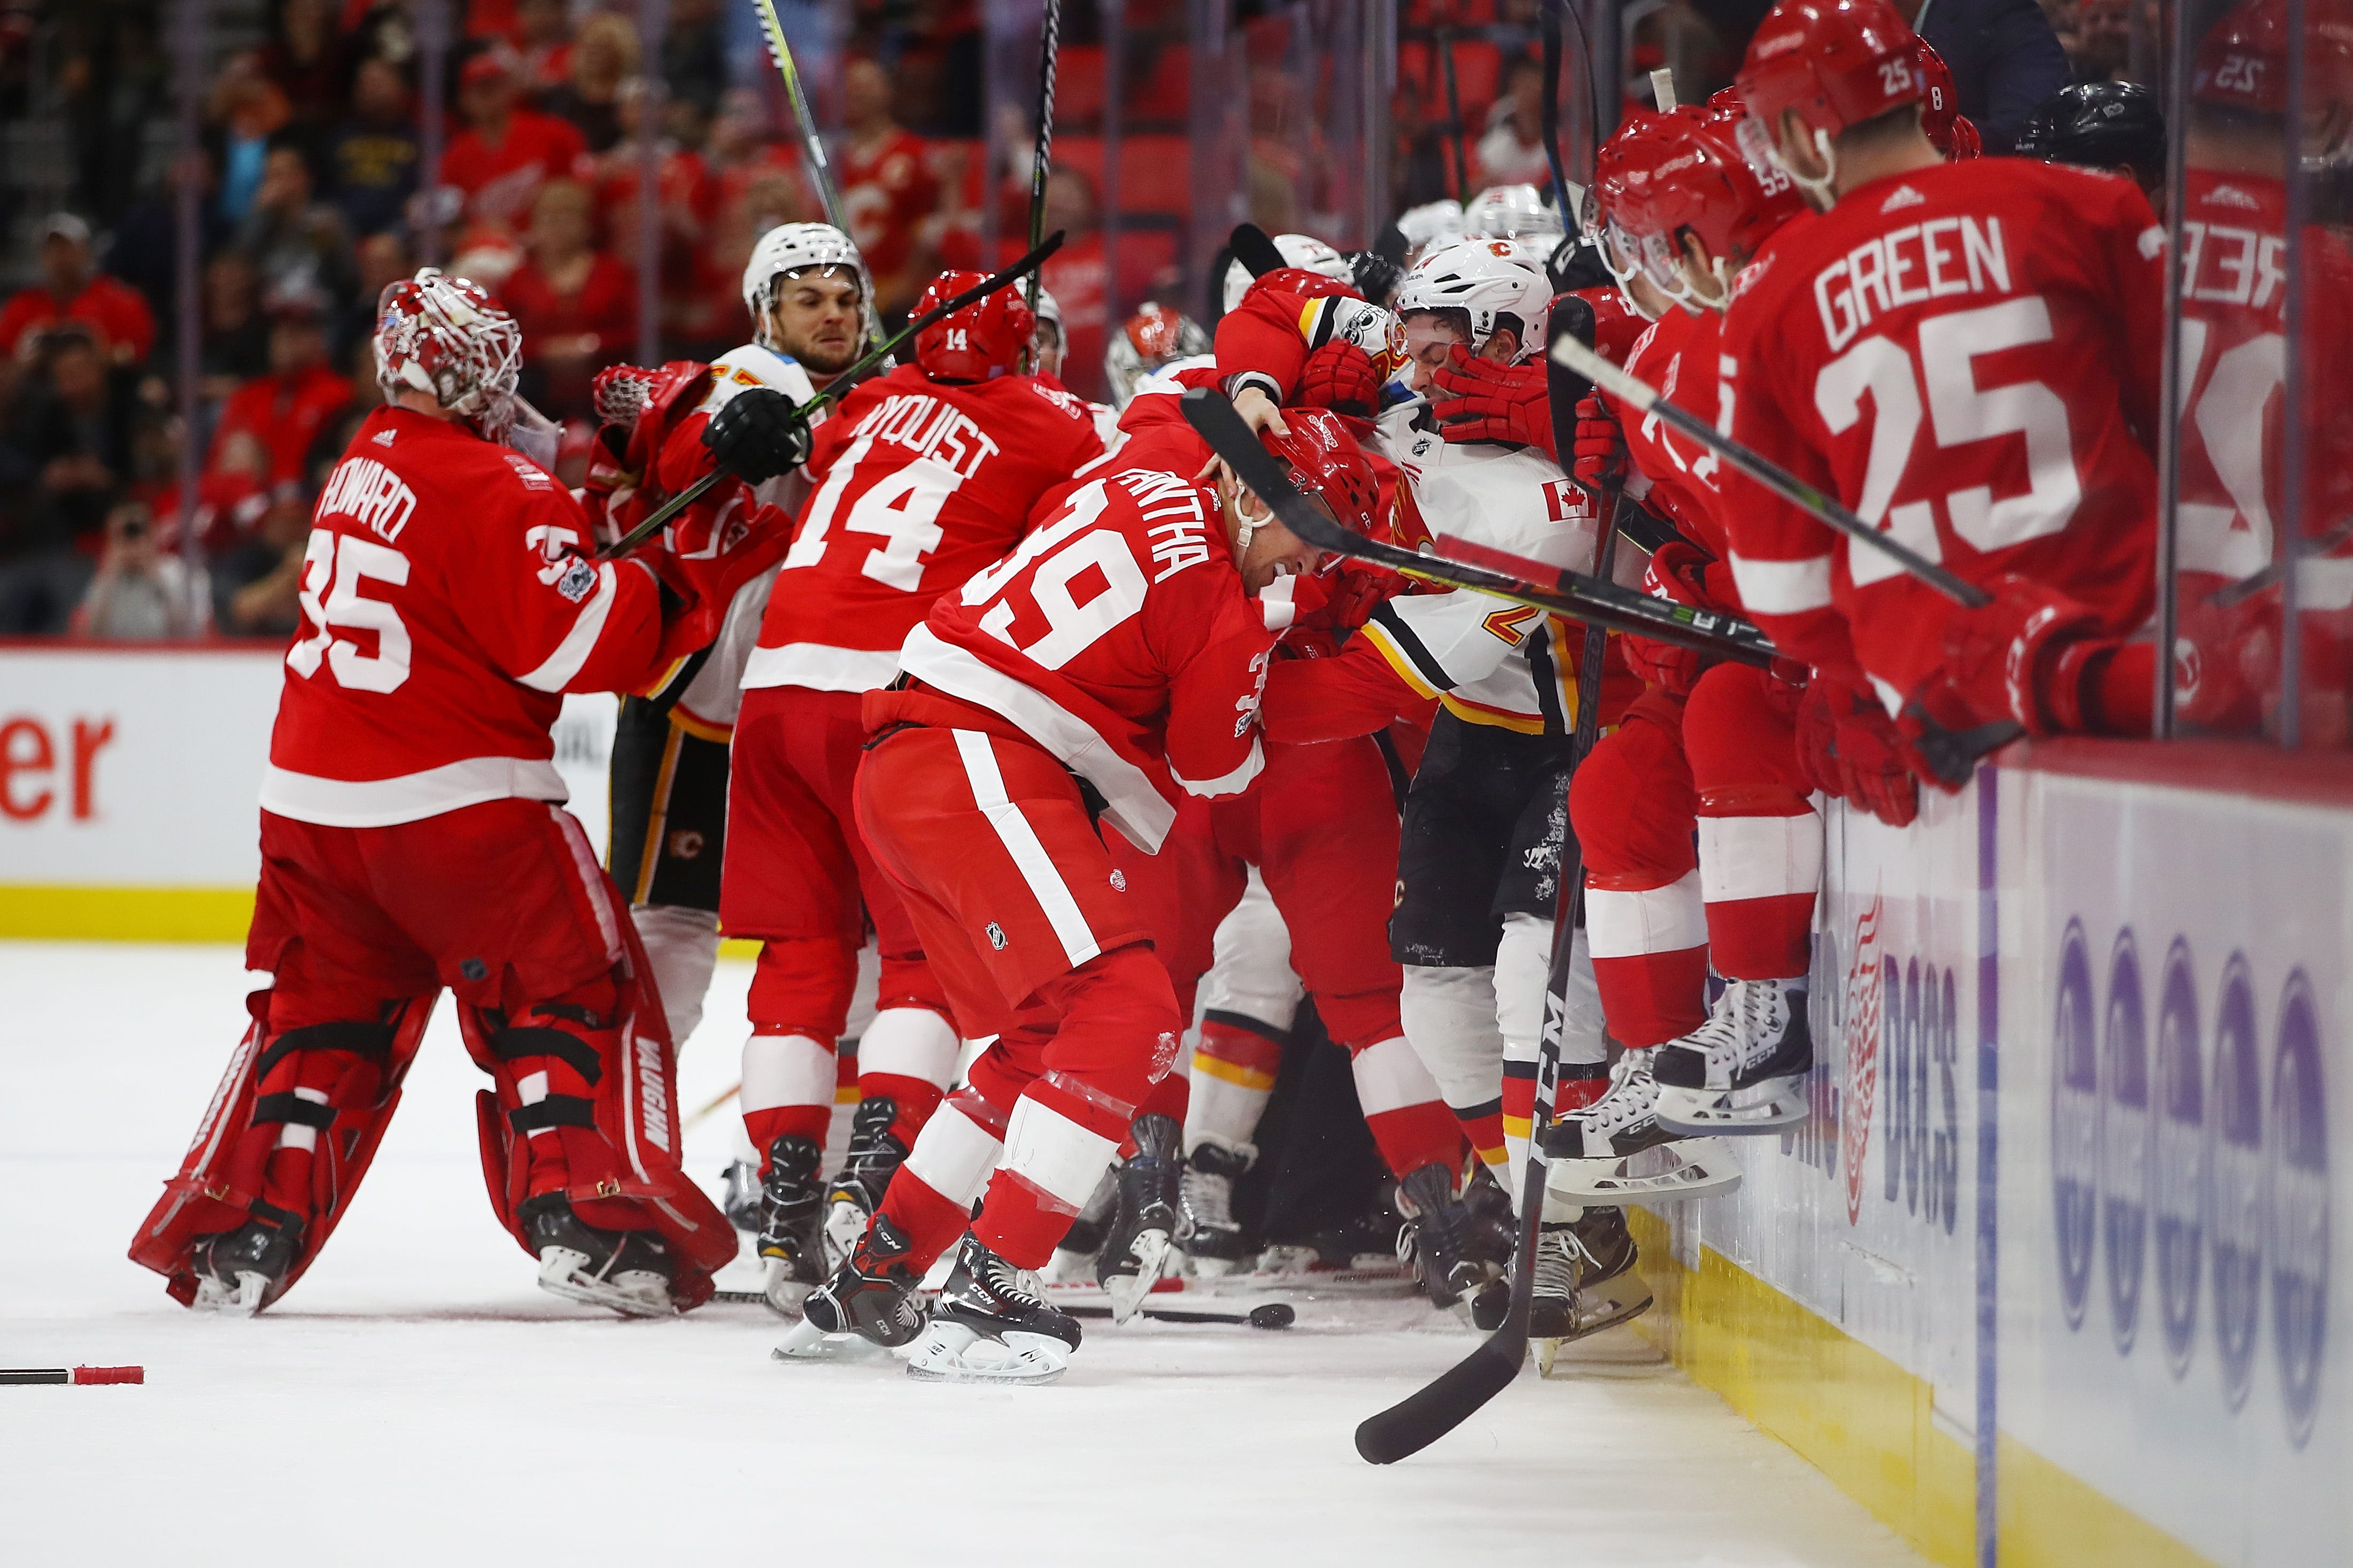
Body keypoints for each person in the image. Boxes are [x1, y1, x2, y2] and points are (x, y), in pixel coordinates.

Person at [127, 268, 786, 1317]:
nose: (509, 383)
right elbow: (579, 639)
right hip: (459, 809)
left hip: (311, 807)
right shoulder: (496, 488)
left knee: (322, 1021)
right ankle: (593, 1224)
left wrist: (603, 497)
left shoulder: (360, 457)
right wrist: (685, 553)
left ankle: (243, 1235)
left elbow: (490, 540)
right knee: (572, 993)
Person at [787, 409, 1375, 1383]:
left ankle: (879, 1271)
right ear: (1244, 489)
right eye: (1302, 530)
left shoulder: (1147, 472)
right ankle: (993, 1285)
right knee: (1132, 1008)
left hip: (914, 757)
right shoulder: (1220, 604)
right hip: (974, 753)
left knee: (1038, 1033)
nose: (1303, 562)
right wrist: (1315, 646)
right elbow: (1215, 767)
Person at [1233, 244, 1645, 1331]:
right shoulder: (1411, 427)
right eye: (1406, 326)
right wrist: (1253, 389)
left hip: (1571, 747)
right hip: (1471, 747)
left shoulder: (1551, 503)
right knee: (1427, 992)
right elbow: (1276, 312)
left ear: (1510, 340)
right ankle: (1537, 1204)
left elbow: (1382, 680)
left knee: (1526, 972)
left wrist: (1224, 689)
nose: (1409, 356)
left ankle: (1565, 1226)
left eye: (1437, 334)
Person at [721, 269, 1103, 1314]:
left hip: (773, 694)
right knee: (918, 962)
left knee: (800, 958)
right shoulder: (1051, 419)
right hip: (885, 702)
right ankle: (869, 1187)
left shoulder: (866, 404)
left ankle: (782, 1217)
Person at [1721, 0, 2164, 777]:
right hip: (2134, 662)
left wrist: (1872, 675)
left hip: (1944, 711)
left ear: (1793, 134)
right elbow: (2188, 425)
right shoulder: (2093, 208)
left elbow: (1784, 595)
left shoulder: (1764, 297)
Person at [594, 222, 872, 1076]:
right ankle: (633, 1139)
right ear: (765, 311)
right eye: (809, 299)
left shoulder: (891, 397)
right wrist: (724, 435)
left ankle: (824, 1164)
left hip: (820, 706)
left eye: (847, 299)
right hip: (699, 703)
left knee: (844, 936)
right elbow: (652, 409)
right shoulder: (756, 376)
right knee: (669, 927)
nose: (834, 315)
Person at [0, 327, 140, 634]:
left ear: (99, 368)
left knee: (68, 616)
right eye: (65, 374)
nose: (74, 382)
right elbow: (16, 477)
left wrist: (105, 481)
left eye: (81, 371)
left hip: (97, 549)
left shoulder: (129, 413)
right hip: (32, 544)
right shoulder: (40, 417)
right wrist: (46, 480)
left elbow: (147, 477)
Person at [503, 178, 635, 421]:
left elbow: (638, 331)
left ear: (586, 225)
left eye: (568, 218)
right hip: (537, 389)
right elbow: (503, 340)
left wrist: (594, 344)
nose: (558, 228)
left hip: (605, 385)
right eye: (549, 219)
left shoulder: (612, 273)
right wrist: (543, 351)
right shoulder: (517, 280)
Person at [441, 44, 590, 231]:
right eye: (479, 90)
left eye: (494, 87)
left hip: (548, 241)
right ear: (464, 100)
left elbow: (583, 186)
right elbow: (449, 225)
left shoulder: (553, 133)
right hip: (486, 251)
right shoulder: (454, 158)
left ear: (510, 89)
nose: (487, 95)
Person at [207, 305, 354, 492]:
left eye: (297, 332)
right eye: (279, 331)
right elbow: (216, 465)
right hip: (249, 504)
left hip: (307, 501)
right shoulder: (249, 395)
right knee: (240, 446)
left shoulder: (339, 393)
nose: (284, 339)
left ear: (320, 340)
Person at [836, 55, 941, 316]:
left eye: (865, 85)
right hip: (843, 294)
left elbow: (928, 231)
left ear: (886, 91)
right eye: (850, 87)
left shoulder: (913, 154)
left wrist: (905, 287)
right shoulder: (832, 161)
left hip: (896, 298)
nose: (855, 93)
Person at [0, 213, 157, 366]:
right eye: (51, 249)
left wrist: (104, 355)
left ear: (86, 252)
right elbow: (5, 355)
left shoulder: (120, 301)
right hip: (35, 389)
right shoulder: (23, 305)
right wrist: (23, 361)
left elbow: (139, 353)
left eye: (66, 248)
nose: (59, 257)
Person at [71, 500, 207, 639]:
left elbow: (191, 633)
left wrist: (155, 576)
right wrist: (110, 577)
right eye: (122, 535)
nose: (131, 542)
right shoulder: (105, 575)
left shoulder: (177, 572)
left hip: (164, 656)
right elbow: (87, 635)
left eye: (137, 532)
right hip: (115, 657)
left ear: (153, 533)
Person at [322, 57, 423, 242]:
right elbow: (326, 190)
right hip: (345, 228)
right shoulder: (340, 137)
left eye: (378, 82)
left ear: (400, 86)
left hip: (399, 227)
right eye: (364, 83)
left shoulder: (419, 139)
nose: (370, 90)